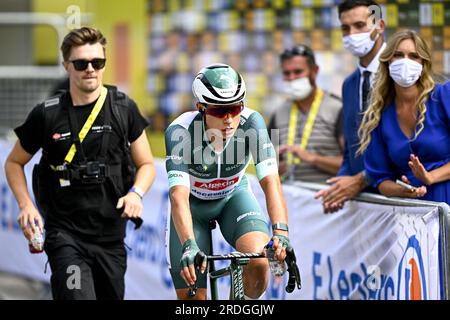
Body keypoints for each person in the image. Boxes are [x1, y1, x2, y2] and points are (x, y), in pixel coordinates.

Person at [4, 27, 156, 300]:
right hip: (65, 235)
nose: (90, 69)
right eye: (81, 63)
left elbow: (146, 164)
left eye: (97, 63)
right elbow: (14, 162)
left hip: (110, 237)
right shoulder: (46, 114)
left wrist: (136, 193)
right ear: (66, 66)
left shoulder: (123, 108)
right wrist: (26, 206)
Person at [165, 63, 294, 300]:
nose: (228, 119)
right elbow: (178, 195)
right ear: (201, 108)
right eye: (218, 111)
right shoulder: (179, 131)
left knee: (259, 261)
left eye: (234, 109)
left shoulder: (253, 123)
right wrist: (188, 245)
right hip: (193, 207)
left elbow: (271, 182)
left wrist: (281, 231)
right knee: (192, 300)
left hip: (233, 198)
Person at [357, 30, 450, 204]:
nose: (405, 62)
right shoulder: (378, 115)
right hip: (411, 217)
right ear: (387, 61)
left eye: (414, 56)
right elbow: (380, 178)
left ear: (423, 63)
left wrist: (430, 177)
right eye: (398, 55)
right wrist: (402, 190)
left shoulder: (443, 96)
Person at [315, 0, 385, 212]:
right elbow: (351, 148)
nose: (352, 34)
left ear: (379, 26)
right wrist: (340, 186)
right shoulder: (349, 84)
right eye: (345, 28)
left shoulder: (399, 76)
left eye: (360, 25)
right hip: (362, 204)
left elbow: (407, 145)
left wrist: (362, 179)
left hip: (397, 200)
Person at [268, 44, 344, 183]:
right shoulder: (278, 113)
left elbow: (353, 167)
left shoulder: (338, 108)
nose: (292, 78)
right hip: (289, 197)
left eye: (298, 72)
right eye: (286, 73)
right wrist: (274, 167)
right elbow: (268, 164)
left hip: (327, 197)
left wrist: (313, 158)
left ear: (314, 71)